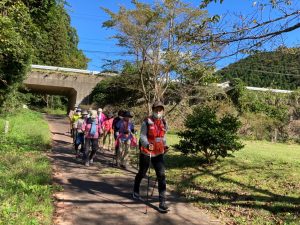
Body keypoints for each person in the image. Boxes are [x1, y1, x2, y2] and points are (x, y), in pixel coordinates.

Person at [133, 101, 169, 212]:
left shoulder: (164, 122)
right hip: (146, 152)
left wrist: (165, 145)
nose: (158, 112)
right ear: (153, 110)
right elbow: (142, 137)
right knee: (142, 172)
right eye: (156, 110)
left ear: (162, 111)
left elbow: (162, 137)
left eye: (160, 110)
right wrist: (147, 145)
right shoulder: (147, 121)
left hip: (158, 153)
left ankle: (162, 202)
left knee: (161, 175)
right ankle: (135, 189)